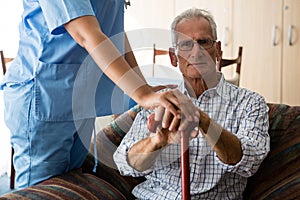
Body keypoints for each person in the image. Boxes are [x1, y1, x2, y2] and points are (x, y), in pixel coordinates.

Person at [0, 1, 199, 188]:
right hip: (44, 97)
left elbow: (115, 36)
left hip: (82, 97)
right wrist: (143, 94)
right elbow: (85, 33)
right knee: (42, 192)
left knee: (70, 184)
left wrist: (144, 87)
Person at [114, 8, 270, 199]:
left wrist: (203, 121)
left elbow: (250, 161)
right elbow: (125, 163)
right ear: (173, 57)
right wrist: (156, 141)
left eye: (204, 42)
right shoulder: (160, 100)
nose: (197, 52)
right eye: (186, 45)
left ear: (218, 50)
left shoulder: (250, 103)